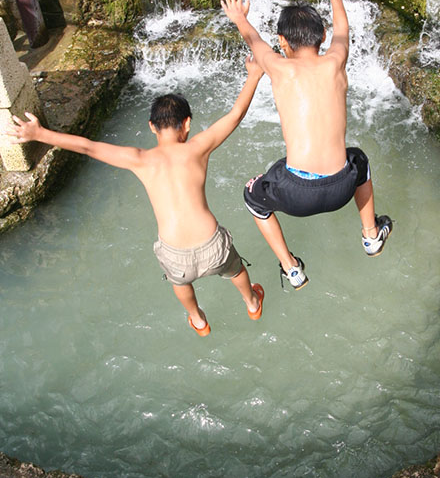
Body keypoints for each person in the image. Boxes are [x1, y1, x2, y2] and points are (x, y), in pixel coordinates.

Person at [6, 55, 266, 336]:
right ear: (187, 124)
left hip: (174, 251)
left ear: (152, 126)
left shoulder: (139, 159)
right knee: (235, 269)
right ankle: (252, 303)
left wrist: (40, 133)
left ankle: (198, 320)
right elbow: (235, 115)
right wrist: (253, 75)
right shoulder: (198, 148)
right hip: (210, 242)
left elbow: (88, 147)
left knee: (180, 283)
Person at [221, 0, 392, 290]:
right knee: (359, 159)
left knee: (252, 195)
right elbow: (343, 30)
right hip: (343, 185)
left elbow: (254, 42)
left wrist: (240, 17)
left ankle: (291, 268)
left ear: (282, 43)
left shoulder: (278, 67)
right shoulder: (335, 61)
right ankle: (371, 235)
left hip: (296, 194)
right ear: (322, 37)